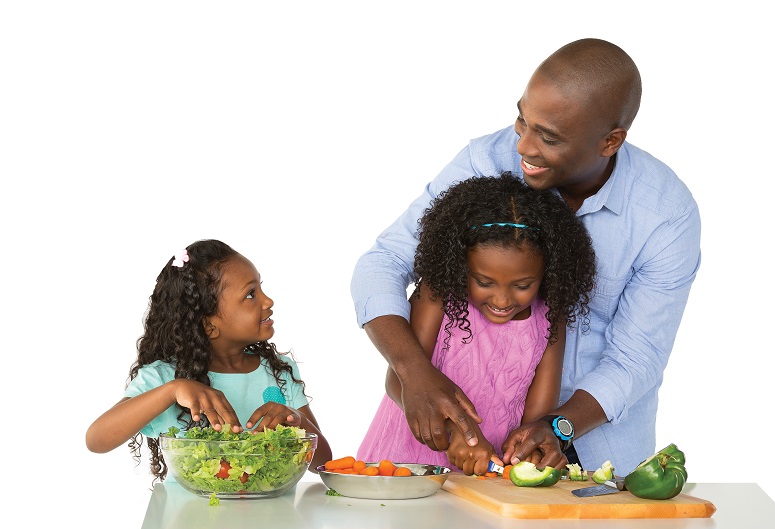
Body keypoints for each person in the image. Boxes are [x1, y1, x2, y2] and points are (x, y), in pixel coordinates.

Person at [350, 38, 701, 476]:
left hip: (600, 453)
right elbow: (383, 262)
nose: (523, 147)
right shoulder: (485, 160)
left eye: (549, 137)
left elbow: (638, 355)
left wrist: (560, 426)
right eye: (522, 119)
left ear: (610, 141)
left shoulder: (665, 213)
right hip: (456, 450)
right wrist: (413, 371)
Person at [357, 173, 596, 475]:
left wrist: (528, 450)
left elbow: (535, 419)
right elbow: (399, 380)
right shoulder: (438, 294)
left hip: (484, 479)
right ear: (461, 264)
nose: (502, 298)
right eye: (484, 282)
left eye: (523, 285)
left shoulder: (550, 318)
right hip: (400, 468)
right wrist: (457, 434)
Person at [86, 239, 333, 481]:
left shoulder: (278, 371)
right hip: (189, 518)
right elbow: (96, 439)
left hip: (272, 516)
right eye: (250, 294)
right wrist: (172, 391)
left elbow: (322, 462)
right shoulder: (164, 378)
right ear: (208, 324)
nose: (268, 301)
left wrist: (295, 420)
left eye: (260, 289)